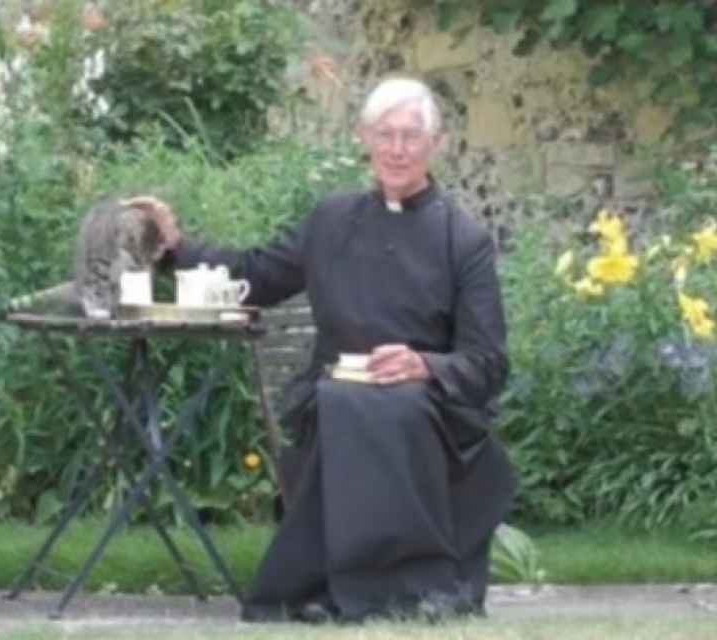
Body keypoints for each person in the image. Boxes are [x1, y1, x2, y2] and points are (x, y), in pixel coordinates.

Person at [125, 75, 518, 624]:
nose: (397, 149)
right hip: (333, 397)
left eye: (411, 136)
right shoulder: (332, 220)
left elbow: (488, 363)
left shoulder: (463, 241)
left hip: (429, 414)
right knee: (343, 402)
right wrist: (174, 247)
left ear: (435, 144)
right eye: (386, 135)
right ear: (365, 139)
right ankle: (381, 592)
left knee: (381, 407)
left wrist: (424, 364)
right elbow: (254, 275)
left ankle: (362, 592)